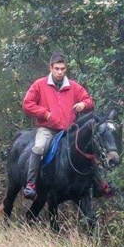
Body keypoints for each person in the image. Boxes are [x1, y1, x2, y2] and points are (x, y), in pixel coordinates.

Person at [22, 52, 113, 199]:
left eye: (62, 69)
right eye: (57, 68)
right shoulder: (39, 85)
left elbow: (90, 101)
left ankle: (100, 184)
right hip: (48, 129)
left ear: (66, 69)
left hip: (69, 130)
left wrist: (83, 104)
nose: (59, 72)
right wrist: (44, 113)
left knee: (87, 149)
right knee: (39, 147)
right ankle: (31, 184)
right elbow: (27, 104)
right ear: (50, 68)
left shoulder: (73, 86)